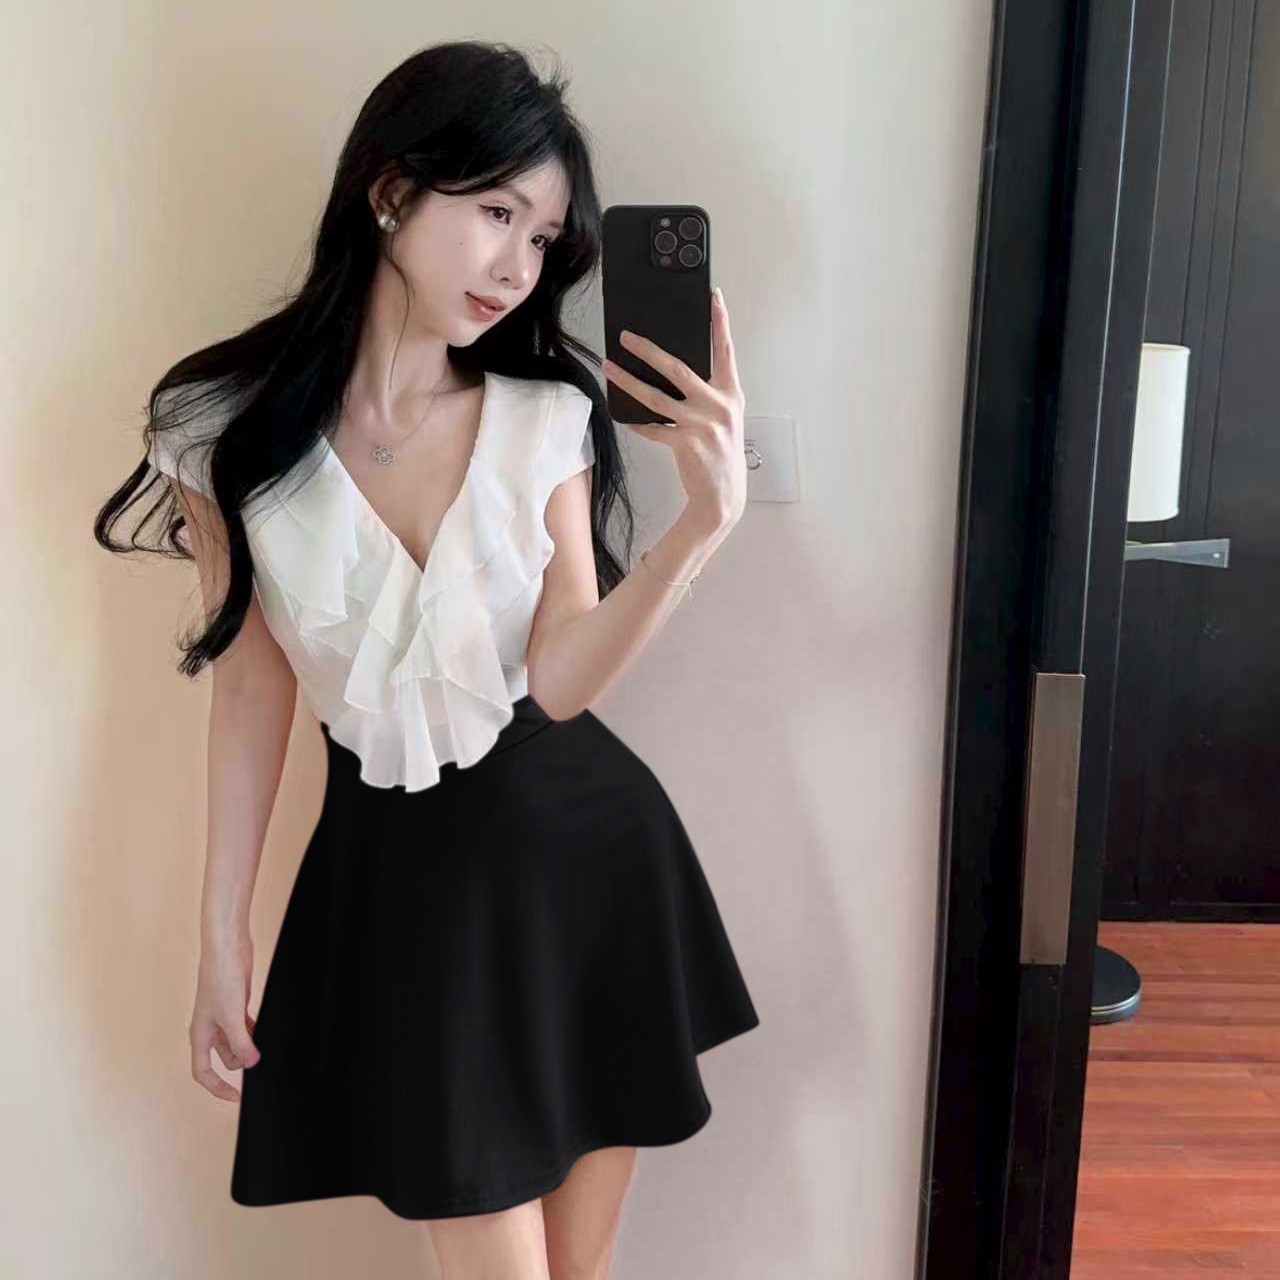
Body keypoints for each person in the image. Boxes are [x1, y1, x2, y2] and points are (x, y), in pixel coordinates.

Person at [94, 38, 759, 1280]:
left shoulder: (542, 418)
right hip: (401, 886)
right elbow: (251, 685)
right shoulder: (220, 430)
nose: (517, 266)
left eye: (543, 238)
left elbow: (560, 677)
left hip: (587, 863)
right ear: (391, 189)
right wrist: (220, 933)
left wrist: (700, 527)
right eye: (496, 212)